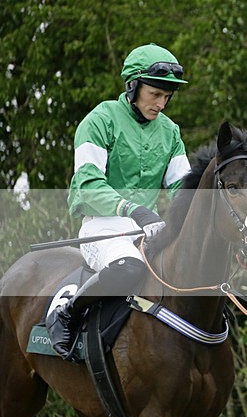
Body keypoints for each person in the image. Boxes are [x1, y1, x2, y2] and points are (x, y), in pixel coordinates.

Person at [45, 43, 190, 362]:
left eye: (167, 96)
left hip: (148, 230)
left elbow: (182, 187)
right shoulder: (100, 119)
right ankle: (66, 313)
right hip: (103, 227)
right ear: (133, 86)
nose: (161, 104)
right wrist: (133, 210)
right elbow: (87, 185)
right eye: (155, 94)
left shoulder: (170, 132)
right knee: (130, 268)